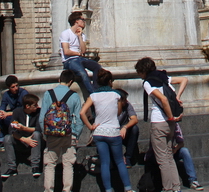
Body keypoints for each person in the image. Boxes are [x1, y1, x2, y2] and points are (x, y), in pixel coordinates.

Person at [135, 56, 188, 192]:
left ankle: (168, 188)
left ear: (143, 71)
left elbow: (163, 99)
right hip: (170, 124)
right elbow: (184, 80)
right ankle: (176, 187)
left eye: (139, 72)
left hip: (160, 122)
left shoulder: (148, 82)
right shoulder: (163, 77)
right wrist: (178, 97)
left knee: (162, 159)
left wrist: (170, 117)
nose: (139, 75)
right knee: (169, 156)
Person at [80, 69, 134, 192]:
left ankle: (108, 189)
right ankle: (127, 188)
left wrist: (90, 126)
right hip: (113, 130)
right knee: (120, 161)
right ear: (110, 81)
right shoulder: (116, 95)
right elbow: (119, 112)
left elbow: (82, 112)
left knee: (104, 162)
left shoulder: (93, 95)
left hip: (99, 132)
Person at [42, 70, 83, 192]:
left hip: (51, 134)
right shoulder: (74, 96)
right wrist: (76, 134)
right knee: (68, 164)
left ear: (59, 79)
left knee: (50, 164)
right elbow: (78, 118)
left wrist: (46, 134)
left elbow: (42, 117)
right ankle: (67, 190)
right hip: (68, 134)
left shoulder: (48, 94)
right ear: (71, 82)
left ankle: (48, 190)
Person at [60, 11, 102, 96]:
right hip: (69, 61)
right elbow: (66, 51)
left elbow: (83, 51)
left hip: (79, 58)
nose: (84, 21)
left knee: (97, 66)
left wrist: (79, 36)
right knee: (83, 73)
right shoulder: (65, 33)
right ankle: (93, 94)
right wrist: (78, 54)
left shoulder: (82, 35)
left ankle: (96, 88)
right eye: (82, 19)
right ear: (76, 21)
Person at [0, 75, 30, 177]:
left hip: (23, 117)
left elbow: (23, 109)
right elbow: (2, 105)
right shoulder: (6, 95)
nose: (16, 88)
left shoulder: (23, 93)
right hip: (13, 117)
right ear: (8, 88)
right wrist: (1, 113)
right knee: (1, 118)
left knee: (9, 117)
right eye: (13, 87)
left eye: (16, 86)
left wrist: (8, 113)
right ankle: (1, 140)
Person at [5, 94, 42, 180]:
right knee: (7, 138)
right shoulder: (17, 112)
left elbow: (39, 128)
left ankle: (35, 166)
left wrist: (24, 128)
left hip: (33, 139)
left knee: (37, 134)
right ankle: (12, 168)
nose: (37, 106)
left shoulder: (39, 112)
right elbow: (12, 130)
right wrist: (25, 139)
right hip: (21, 140)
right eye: (35, 105)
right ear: (27, 106)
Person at [116, 89, 139, 167]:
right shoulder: (110, 107)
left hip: (124, 132)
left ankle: (128, 158)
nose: (126, 101)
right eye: (124, 100)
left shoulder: (127, 105)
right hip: (113, 132)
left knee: (135, 129)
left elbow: (134, 119)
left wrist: (125, 127)